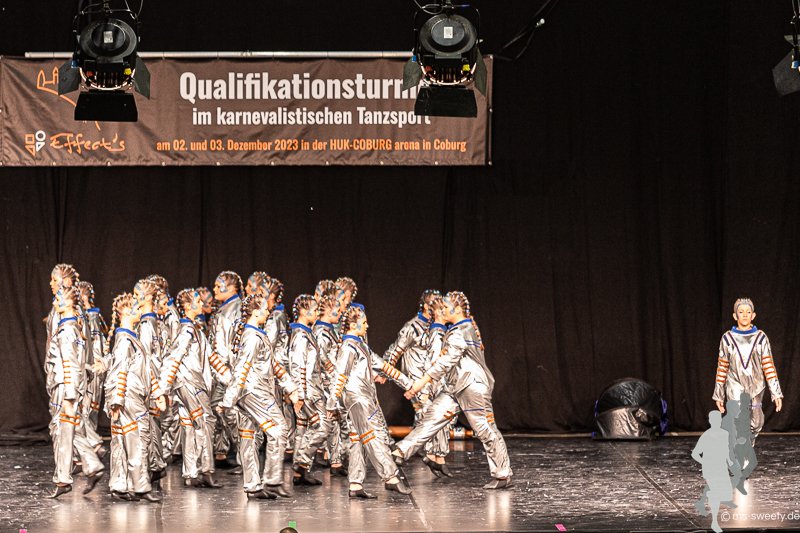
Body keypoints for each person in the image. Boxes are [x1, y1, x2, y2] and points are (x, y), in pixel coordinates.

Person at [393, 291, 512, 489]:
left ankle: (503, 474)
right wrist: (438, 325)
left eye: (445, 307)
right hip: (455, 386)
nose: (441, 310)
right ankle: (400, 451)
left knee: (484, 429)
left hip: (471, 386)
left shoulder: (461, 331)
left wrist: (421, 383)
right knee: (432, 418)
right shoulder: (458, 329)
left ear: (456, 309)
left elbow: (445, 361)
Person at [219, 294, 301, 499]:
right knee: (280, 430)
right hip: (254, 392)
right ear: (255, 312)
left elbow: (272, 364)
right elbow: (241, 368)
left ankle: (253, 485)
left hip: (251, 391)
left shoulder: (255, 335)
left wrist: (290, 387)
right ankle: (272, 480)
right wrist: (228, 399)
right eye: (264, 309)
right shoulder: (252, 337)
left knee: (248, 437)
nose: (268, 311)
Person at [327, 303, 412, 498]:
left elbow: (383, 366)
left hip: (364, 397)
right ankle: (390, 477)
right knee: (371, 436)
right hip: (356, 398)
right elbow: (340, 376)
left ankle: (355, 483)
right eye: (364, 322)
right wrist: (332, 403)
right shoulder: (348, 347)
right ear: (353, 325)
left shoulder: (360, 345)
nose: (367, 326)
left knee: (358, 438)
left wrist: (408, 384)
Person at [159, 288, 230, 488]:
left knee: (189, 426)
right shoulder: (187, 331)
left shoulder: (195, 330)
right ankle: (206, 470)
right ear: (188, 306)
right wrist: (165, 388)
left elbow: (210, 357)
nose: (201, 304)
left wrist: (229, 379)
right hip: (189, 383)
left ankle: (191, 472)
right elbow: (174, 359)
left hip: (191, 383)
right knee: (205, 421)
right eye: (197, 302)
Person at [104, 292, 166, 502]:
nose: (141, 311)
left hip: (133, 396)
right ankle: (139, 486)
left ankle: (120, 484)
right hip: (129, 398)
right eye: (138, 308)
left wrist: (156, 392)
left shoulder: (131, 339)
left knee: (124, 441)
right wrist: (117, 401)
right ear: (127, 312)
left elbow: (145, 370)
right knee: (136, 440)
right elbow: (119, 372)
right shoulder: (125, 341)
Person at [45, 284, 105, 498]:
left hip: (65, 387)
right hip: (69, 386)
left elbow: (69, 363)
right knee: (69, 429)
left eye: (58, 298)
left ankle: (74, 473)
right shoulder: (74, 327)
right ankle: (79, 471)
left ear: (69, 302)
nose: (54, 302)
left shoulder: (68, 330)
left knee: (62, 428)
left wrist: (69, 396)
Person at [713, 298, 783, 441]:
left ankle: (750, 440)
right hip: (734, 384)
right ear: (735, 316)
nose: (745, 315)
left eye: (748, 312)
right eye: (741, 312)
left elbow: (768, 366)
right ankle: (740, 446)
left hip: (756, 386)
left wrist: (776, 393)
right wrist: (719, 395)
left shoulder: (761, 338)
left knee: (757, 422)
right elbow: (722, 367)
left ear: (753, 315)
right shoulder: (727, 338)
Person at [210, 271, 244, 464]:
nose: (215, 289)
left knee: (229, 411)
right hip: (222, 369)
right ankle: (226, 452)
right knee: (219, 408)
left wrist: (227, 371)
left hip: (229, 371)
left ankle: (244, 455)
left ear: (231, 288)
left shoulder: (234, 311)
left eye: (219, 285)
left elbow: (233, 345)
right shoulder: (226, 309)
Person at [75, 280, 108, 459]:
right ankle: (88, 449)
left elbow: (96, 344)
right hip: (91, 367)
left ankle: (91, 447)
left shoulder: (92, 317)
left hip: (93, 367)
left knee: (88, 409)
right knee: (87, 409)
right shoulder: (88, 315)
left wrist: (95, 365)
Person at [692, 411, 733, 533]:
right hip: (711, 468)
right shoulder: (707, 436)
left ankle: (707, 498)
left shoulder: (725, 434)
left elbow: (726, 450)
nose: (717, 422)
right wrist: (704, 462)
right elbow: (695, 453)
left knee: (725, 494)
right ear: (710, 421)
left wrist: (730, 462)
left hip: (721, 467)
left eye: (719, 419)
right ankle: (714, 522)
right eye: (715, 420)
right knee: (716, 493)